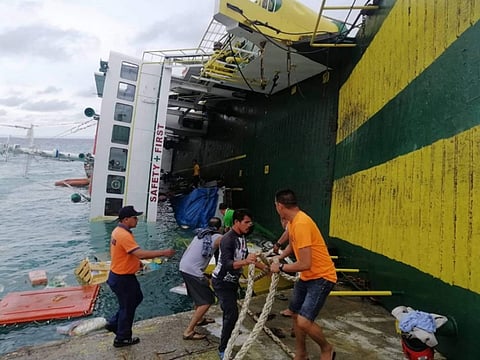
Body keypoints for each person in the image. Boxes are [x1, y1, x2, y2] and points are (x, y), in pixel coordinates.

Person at [270, 189, 337, 360]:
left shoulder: (301, 224)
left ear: (280, 206)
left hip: (321, 277)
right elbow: (293, 244)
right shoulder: (294, 221)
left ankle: (326, 348)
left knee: (304, 321)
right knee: (294, 313)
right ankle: (301, 353)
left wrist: (281, 267)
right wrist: (280, 256)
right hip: (307, 277)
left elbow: (305, 264)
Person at [106, 205, 176, 348]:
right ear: (126, 219)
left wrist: (136, 263)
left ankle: (114, 324)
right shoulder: (124, 235)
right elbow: (140, 253)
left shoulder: (118, 231)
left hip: (120, 275)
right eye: (134, 217)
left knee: (136, 299)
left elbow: (126, 253)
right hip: (122, 278)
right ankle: (122, 338)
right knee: (128, 306)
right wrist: (163, 252)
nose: (137, 220)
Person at [212, 209, 268, 359]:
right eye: (246, 222)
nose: (250, 225)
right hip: (222, 282)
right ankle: (223, 349)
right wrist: (246, 261)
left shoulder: (242, 237)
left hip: (232, 282)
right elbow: (228, 264)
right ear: (236, 222)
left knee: (231, 314)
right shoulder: (227, 239)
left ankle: (227, 341)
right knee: (231, 315)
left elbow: (246, 256)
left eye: (251, 222)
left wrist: (265, 268)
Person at [179, 217, 223, 340]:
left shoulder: (200, 234)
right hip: (193, 271)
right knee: (207, 300)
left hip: (184, 267)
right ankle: (188, 331)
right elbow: (228, 243)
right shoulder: (217, 238)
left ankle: (200, 320)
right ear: (220, 228)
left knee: (198, 296)